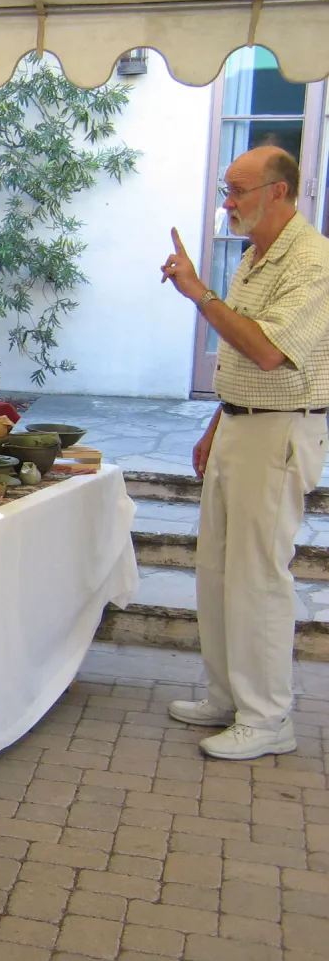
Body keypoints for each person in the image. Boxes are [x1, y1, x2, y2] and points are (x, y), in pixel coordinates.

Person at [160, 145, 329, 760]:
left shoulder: (314, 261)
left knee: (258, 576)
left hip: (280, 430)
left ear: (278, 191)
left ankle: (268, 718)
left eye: (238, 189)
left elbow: (268, 352)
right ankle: (228, 695)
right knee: (217, 569)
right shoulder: (257, 257)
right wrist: (216, 422)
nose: (227, 202)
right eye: (227, 190)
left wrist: (199, 295)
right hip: (239, 423)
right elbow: (240, 362)